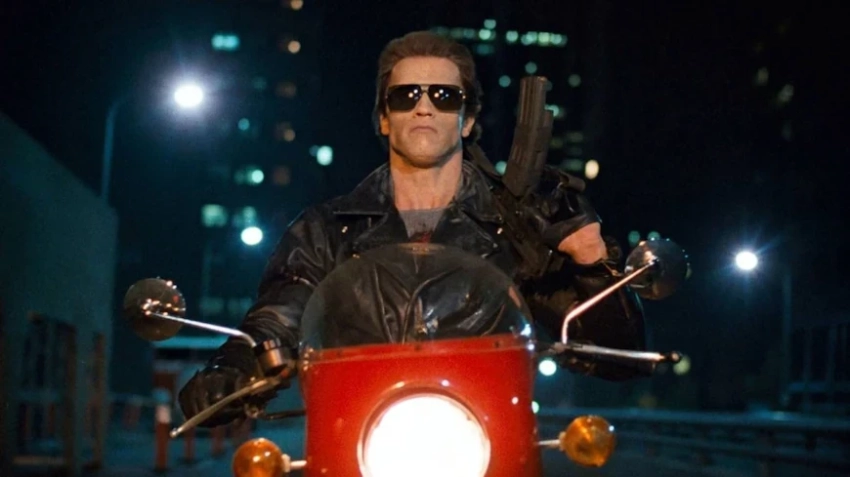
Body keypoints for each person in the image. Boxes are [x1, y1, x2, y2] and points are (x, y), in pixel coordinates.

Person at [178, 31, 645, 426]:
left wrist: (592, 262)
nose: (424, 108)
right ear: (384, 118)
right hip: (360, 431)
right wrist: (231, 369)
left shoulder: (518, 232)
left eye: (444, 97)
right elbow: (277, 319)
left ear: (468, 120)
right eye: (406, 96)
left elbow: (615, 354)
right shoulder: (327, 230)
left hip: (481, 432)